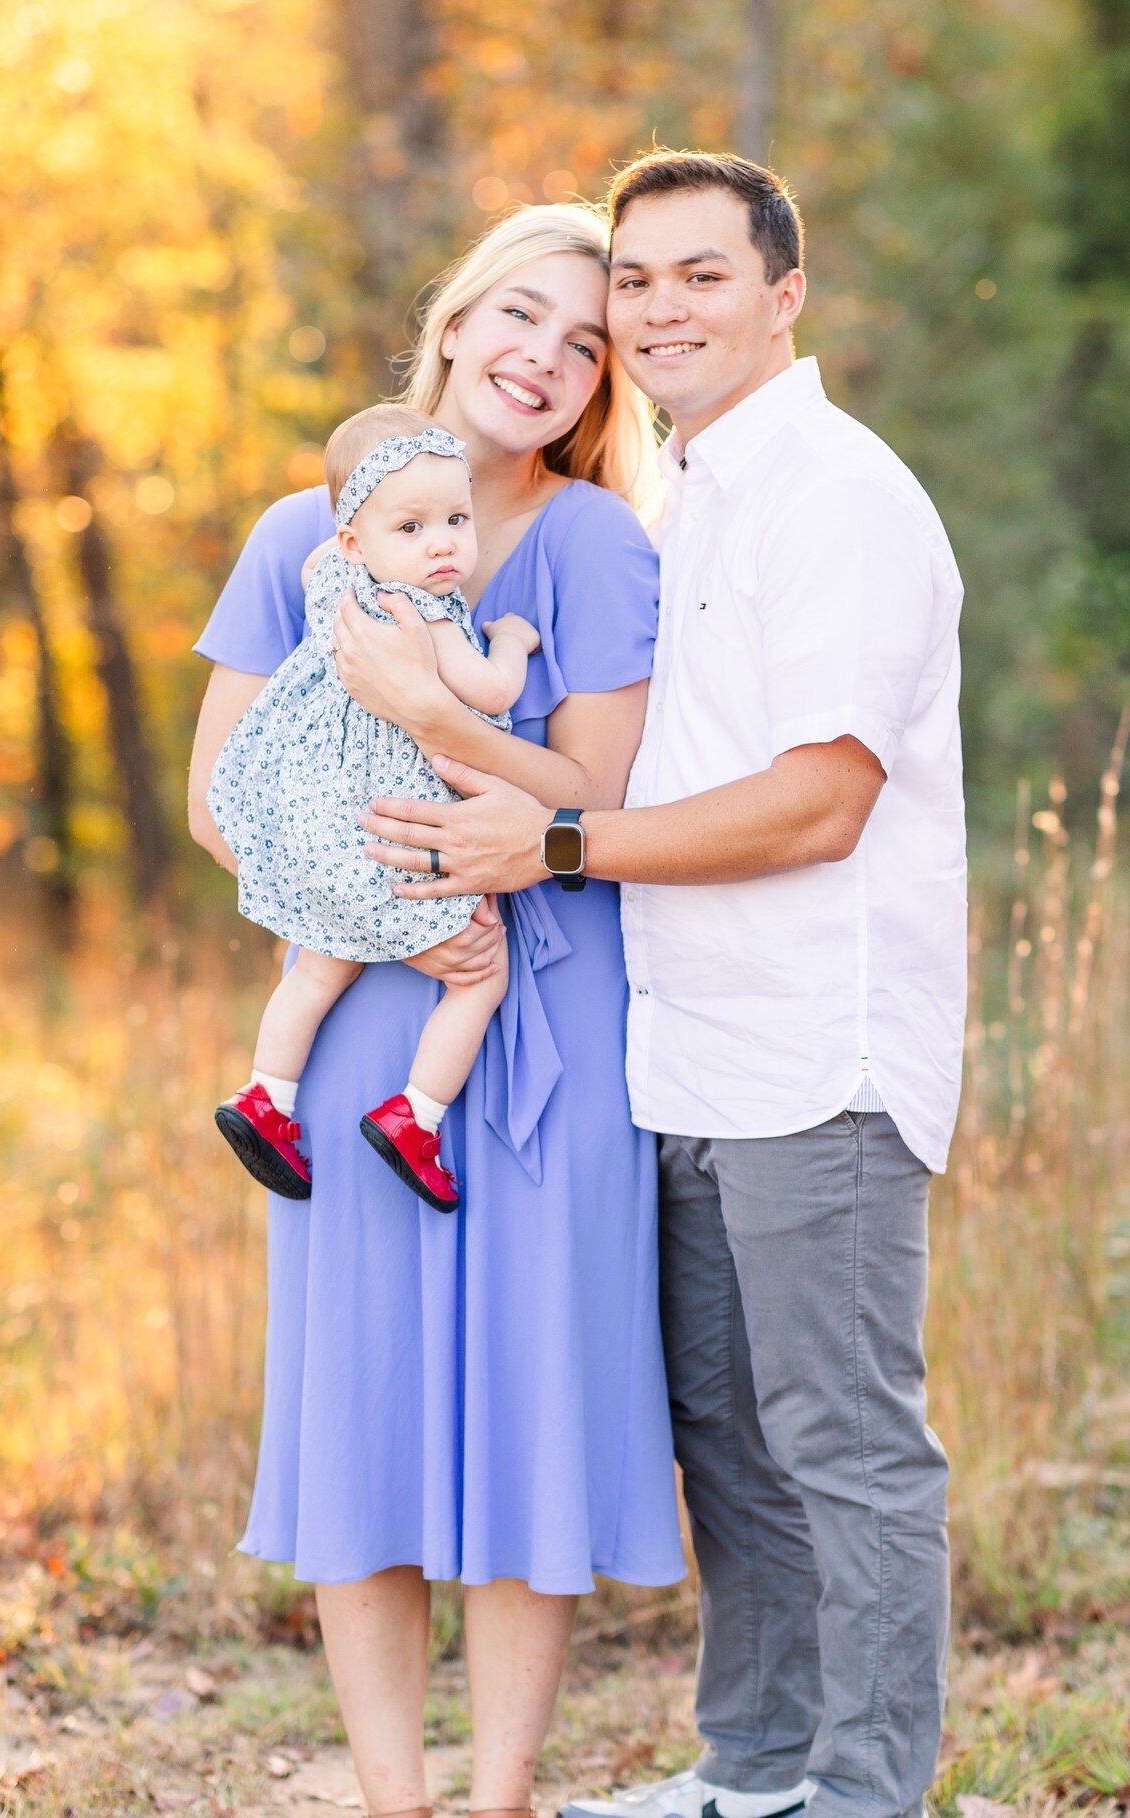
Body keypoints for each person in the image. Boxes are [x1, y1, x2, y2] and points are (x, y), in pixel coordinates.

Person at [360, 152, 967, 1818]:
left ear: (785, 296)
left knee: (843, 1440)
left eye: (704, 274)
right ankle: (759, 1763)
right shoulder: (688, 501)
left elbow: (822, 799)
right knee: (734, 1441)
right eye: (639, 280)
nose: (659, 307)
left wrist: (554, 845)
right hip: (683, 1048)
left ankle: (865, 1788)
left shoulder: (835, 494)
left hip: (816, 1048)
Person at [187, 203, 686, 1818]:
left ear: (603, 381)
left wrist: (423, 710)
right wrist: (386, 911)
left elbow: (596, 798)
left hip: (554, 1021)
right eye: (522, 316)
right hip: (361, 1022)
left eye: (588, 339)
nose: (547, 355)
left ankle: (501, 1797)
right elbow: (219, 800)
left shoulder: (601, 544)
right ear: (458, 321)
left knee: (532, 1399)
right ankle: (395, 1795)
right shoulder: (300, 537)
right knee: (368, 1410)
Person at [207, 403, 542, 1211]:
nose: (440, 544)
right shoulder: (426, 612)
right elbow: (492, 691)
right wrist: (514, 643)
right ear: (360, 540)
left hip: (327, 830)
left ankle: (265, 1094)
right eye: (412, 526)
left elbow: (332, 546)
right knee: (482, 976)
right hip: (398, 831)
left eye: (456, 519)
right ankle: (416, 1117)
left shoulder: (331, 580)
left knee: (319, 966)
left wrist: (371, 533)